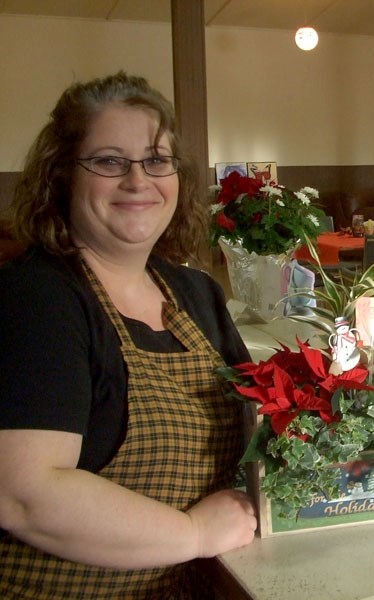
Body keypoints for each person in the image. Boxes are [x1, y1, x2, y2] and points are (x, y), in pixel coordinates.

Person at [0, 72, 257, 598]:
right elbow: (23, 495)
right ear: (62, 176)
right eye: (110, 161)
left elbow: (256, 419)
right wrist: (193, 533)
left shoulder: (196, 293)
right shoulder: (37, 299)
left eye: (156, 161)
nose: (138, 181)